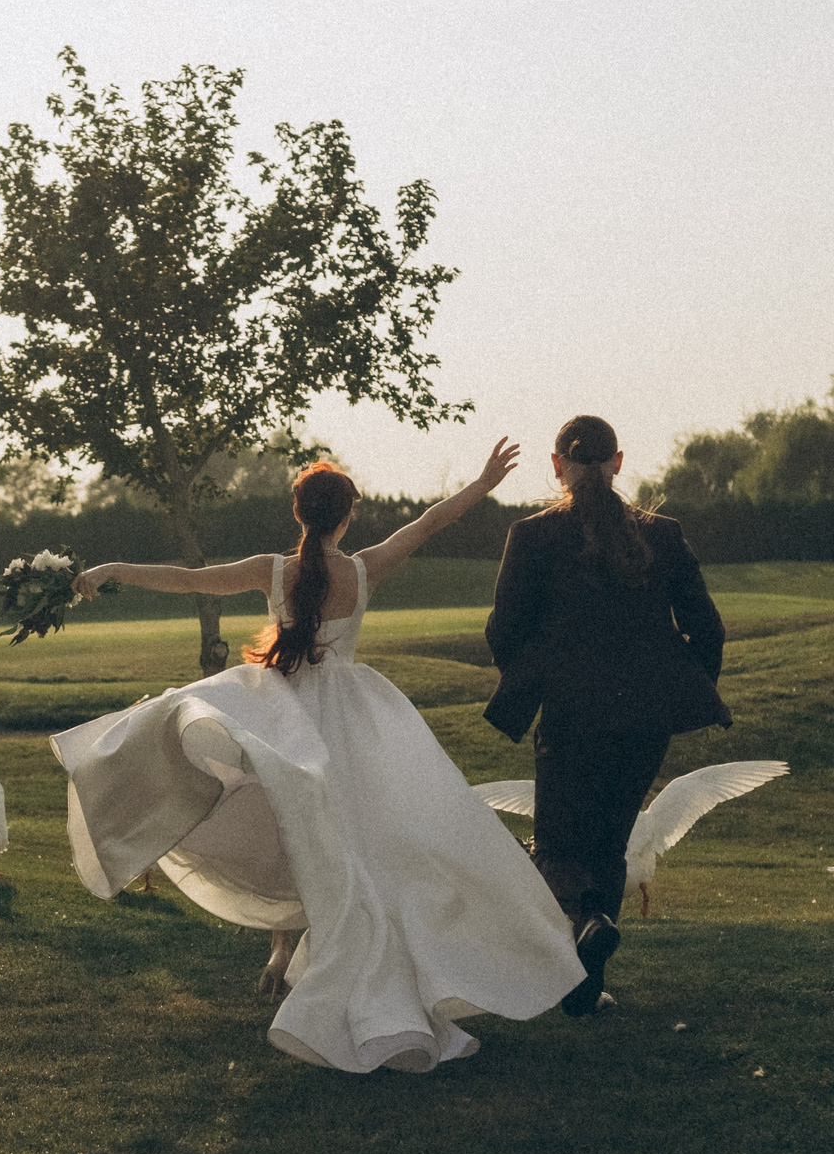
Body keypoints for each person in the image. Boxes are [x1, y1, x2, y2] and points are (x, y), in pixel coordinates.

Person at [55, 440, 586, 1074]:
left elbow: (189, 581)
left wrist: (113, 569)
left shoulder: (272, 569)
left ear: (298, 512)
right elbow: (432, 520)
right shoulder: (363, 571)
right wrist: (482, 481)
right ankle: (348, 960)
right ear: (348, 515)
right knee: (367, 846)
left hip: (284, 715)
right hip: (357, 720)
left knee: (306, 835)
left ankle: (308, 953)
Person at [484, 415, 729, 1015]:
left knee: (558, 849)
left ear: (557, 465)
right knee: (609, 847)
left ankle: (588, 923)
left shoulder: (533, 536)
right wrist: (678, 687)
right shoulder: (664, 535)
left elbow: (502, 631)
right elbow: (708, 629)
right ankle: (586, 991)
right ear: (618, 462)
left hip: (571, 712)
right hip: (646, 717)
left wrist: (536, 675)